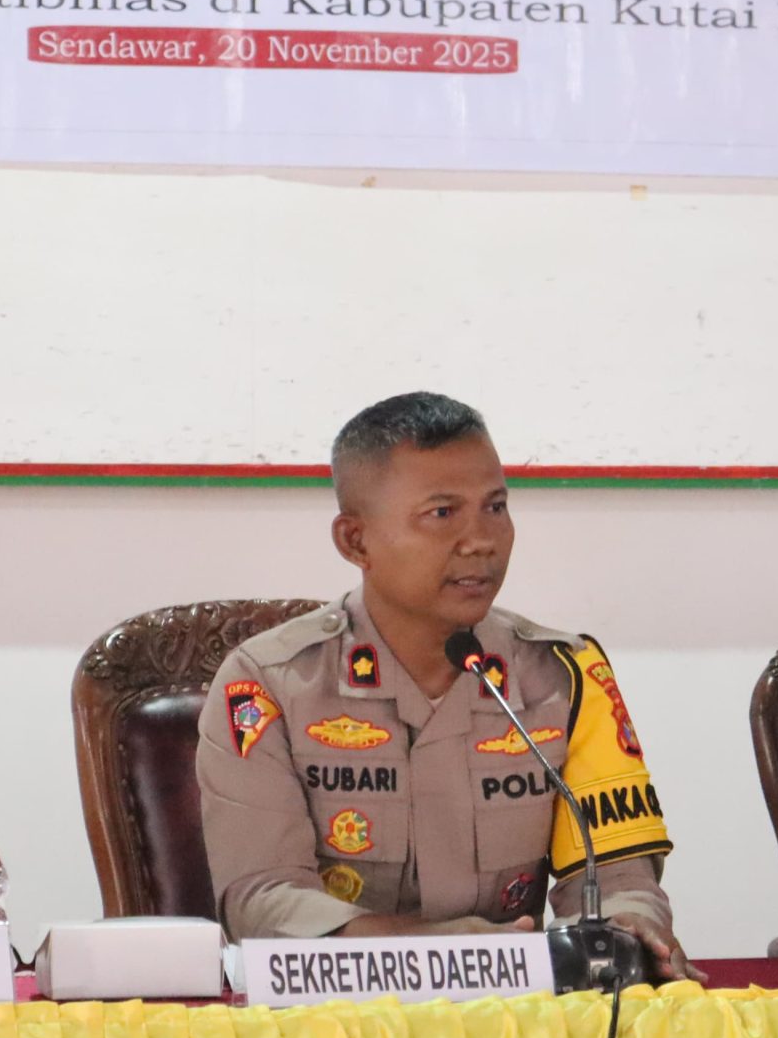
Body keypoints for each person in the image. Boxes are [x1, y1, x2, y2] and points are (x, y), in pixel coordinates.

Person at [198, 392, 698, 982]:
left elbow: (615, 873)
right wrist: (431, 951)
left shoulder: (565, 675)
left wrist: (627, 923)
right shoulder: (268, 682)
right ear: (355, 541)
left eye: (495, 507)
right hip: (334, 1017)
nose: (481, 540)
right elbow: (262, 899)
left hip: (515, 1014)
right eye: (442, 513)